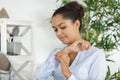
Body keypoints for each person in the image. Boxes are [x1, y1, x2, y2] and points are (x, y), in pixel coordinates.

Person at [35, 1, 107, 80]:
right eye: (55, 29)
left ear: (76, 24)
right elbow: (39, 77)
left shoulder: (95, 55)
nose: (58, 33)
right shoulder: (57, 53)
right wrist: (67, 50)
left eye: (63, 27)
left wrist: (67, 73)